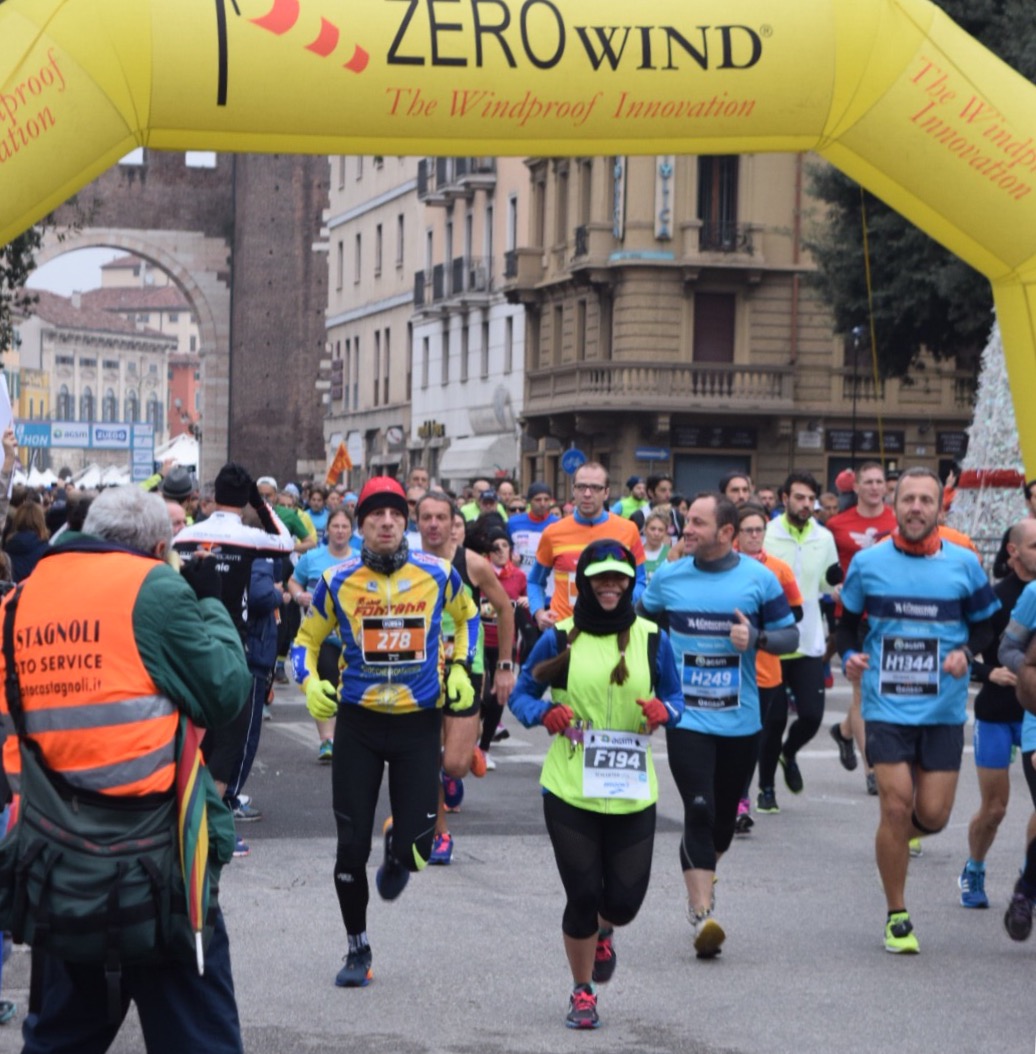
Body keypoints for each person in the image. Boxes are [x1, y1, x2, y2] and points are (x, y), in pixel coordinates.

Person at [1, 485, 252, 1054]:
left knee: (59, 1038)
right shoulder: (155, 589)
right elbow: (225, 691)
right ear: (159, 548)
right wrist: (211, 602)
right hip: (158, 869)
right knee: (200, 1040)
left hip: (56, 866)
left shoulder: (18, 601)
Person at [291, 477, 479, 987]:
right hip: (359, 724)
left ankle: (399, 845)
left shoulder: (438, 573)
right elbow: (303, 643)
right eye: (376, 515)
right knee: (350, 849)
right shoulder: (336, 580)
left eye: (397, 514)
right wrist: (309, 683)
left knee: (418, 852)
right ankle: (357, 947)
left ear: (407, 522)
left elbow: (470, 620)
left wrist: (462, 668)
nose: (388, 522)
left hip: (418, 725)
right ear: (361, 525)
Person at [509, 539, 683, 1029]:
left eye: (618, 578)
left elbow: (676, 697)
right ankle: (582, 991)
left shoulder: (653, 638)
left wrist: (664, 711)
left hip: (631, 790)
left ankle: (606, 930)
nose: (610, 586)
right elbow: (521, 695)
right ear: (584, 583)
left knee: (622, 903)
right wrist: (544, 713)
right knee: (583, 894)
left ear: (630, 583)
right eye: (600, 577)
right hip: (570, 787)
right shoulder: (559, 637)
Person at [837, 467, 999, 954]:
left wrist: (966, 652)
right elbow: (845, 624)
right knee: (895, 805)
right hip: (886, 704)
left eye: (926, 500)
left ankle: (891, 844)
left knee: (933, 814)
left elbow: (988, 626)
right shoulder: (868, 563)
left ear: (939, 508)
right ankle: (897, 915)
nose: (916, 508)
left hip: (942, 710)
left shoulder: (964, 563)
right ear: (895, 505)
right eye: (908, 499)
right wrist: (850, 655)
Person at [639, 493, 798, 958]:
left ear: (726, 533)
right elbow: (640, 627)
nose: (686, 529)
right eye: (687, 520)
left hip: (741, 721)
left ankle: (706, 874)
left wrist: (758, 637)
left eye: (697, 523)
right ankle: (701, 914)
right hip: (686, 717)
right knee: (699, 809)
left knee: (723, 823)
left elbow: (791, 635)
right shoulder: (669, 577)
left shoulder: (759, 579)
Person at [173, 464, 294, 840]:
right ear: (244, 500)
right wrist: (260, 504)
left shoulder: (186, 535)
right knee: (229, 740)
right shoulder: (249, 536)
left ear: (213, 495)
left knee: (192, 737)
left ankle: (185, 823)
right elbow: (285, 542)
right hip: (231, 645)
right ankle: (208, 829)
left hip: (189, 640)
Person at [415, 494, 515, 864]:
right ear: (417, 522)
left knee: (454, 765)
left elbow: (504, 609)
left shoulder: (472, 564)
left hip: (465, 667)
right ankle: (439, 833)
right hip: (420, 670)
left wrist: (504, 665)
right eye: (426, 517)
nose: (434, 524)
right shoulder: (407, 563)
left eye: (441, 517)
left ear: (453, 523)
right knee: (426, 754)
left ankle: (458, 761)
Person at [956, 519, 1036, 908]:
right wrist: (991, 672)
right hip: (998, 712)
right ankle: (974, 868)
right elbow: (964, 652)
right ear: (1013, 551)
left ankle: (1029, 877)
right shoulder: (995, 598)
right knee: (995, 808)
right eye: (1035, 546)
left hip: (1032, 712)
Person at [763, 471, 841, 799]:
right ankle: (766, 788)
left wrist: (835, 586)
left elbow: (826, 583)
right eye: (799, 497)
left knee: (811, 716)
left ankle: (789, 752)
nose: (806, 504)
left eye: (811, 498)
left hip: (808, 640)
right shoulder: (767, 533)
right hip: (772, 641)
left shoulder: (824, 538)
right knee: (773, 721)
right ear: (785, 499)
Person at [825, 461, 898, 795]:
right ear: (855, 487)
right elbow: (826, 569)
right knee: (861, 692)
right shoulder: (837, 524)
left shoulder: (898, 521)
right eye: (867, 481)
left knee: (881, 690)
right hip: (853, 615)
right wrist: (832, 588)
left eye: (879, 481)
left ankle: (844, 731)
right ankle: (872, 769)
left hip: (889, 615)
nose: (873, 487)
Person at [733, 503, 804, 828]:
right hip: (728, 668)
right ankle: (730, 795)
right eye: (747, 530)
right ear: (735, 534)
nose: (754, 536)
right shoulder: (723, 568)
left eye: (759, 530)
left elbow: (795, 614)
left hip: (765, 671)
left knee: (752, 737)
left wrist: (760, 627)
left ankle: (741, 799)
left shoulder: (778, 569)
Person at [530, 462, 646, 634]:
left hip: (612, 629)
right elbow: (535, 581)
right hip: (565, 630)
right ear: (573, 490)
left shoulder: (628, 530)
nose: (587, 494)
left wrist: (619, 603)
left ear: (606, 493)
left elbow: (641, 581)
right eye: (581, 487)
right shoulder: (553, 533)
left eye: (595, 488)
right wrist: (539, 613)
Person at [288, 507, 356, 762]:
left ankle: (346, 736)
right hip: (322, 635)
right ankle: (327, 740)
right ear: (327, 530)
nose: (340, 531)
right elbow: (293, 581)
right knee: (325, 679)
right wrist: (299, 595)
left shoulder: (360, 559)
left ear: (352, 531)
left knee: (346, 686)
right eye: (335, 526)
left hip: (353, 637)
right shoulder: (312, 558)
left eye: (345, 527)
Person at [478, 526, 528, 762]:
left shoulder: (519, 576)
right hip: (480, 642)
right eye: (495, 547)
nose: (500, 551)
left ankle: (484, 749)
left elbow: (527, 601)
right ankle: (472, 732)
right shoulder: (480, 572)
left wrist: (527, 601)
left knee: (499, 697)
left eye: (504, 546)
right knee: (483, 695)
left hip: (505, 645)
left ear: (511, 550)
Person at [508, 482, 559, 579]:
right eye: (538, 500)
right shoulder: (513, 523)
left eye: (546, 499)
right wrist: (510, 560)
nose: (542, 504)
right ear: (529, 501)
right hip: (520, 580)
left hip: (547, 581)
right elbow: (505, 549)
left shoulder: (558, 524)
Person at [630, 473, 683, 541]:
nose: (668, 495)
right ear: (651, 492)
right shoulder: (639, 516)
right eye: (663, 490)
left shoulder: (677, 516)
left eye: (670, 490)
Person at [641, 507, 671, 582]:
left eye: (660, 530)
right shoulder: (636, 553)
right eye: (652, 529)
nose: (656, 533)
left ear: (666, 532)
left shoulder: (670, 554)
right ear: (645, 530)